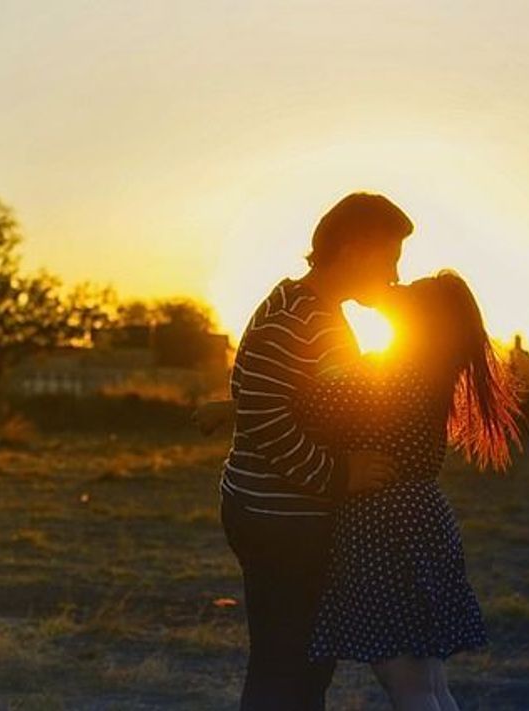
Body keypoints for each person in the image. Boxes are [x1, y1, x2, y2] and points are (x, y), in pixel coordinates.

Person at [217, 192, 414, 711]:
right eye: (390, 257)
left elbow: (309, 395)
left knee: (302, 665)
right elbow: (265, 417)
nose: (395, 274)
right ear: (353, 249)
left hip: (282, 513)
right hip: (280, 517)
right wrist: (336, 476)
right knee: (286, 665)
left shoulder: (311, 310)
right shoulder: (298, 314)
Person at [294, 271, 523, 711]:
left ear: (420, 320)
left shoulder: (396, 373)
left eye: (410, 294)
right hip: (419, 522)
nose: (397, 288)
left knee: (411, 688)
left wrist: (231, 408)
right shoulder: (426, 372)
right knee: (431, 686)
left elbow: (312, 405)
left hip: (386, 529)